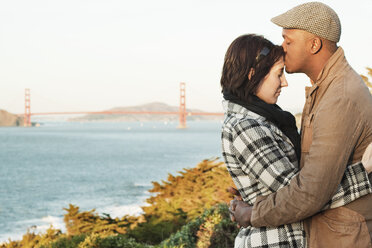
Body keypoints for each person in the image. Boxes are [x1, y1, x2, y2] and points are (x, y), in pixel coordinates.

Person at [229, 2, 372, 247]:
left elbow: (311, 192)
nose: (282, 49)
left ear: (314, 44)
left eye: (288, 41)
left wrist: (254, 213)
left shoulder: (340, 96)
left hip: (342, 237)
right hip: (328, 232)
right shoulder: (325, 88)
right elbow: (306, 179)